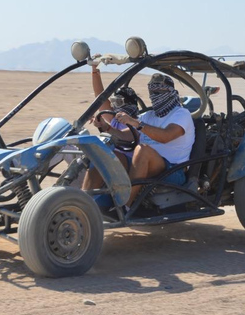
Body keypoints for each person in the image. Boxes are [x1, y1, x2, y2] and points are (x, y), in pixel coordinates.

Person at [114, 73, 195, 207]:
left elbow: (165, 136)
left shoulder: (181, 114)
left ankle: (124, 207)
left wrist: (137, 123)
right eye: (152, 91)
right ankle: (86, 204)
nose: (154, 95)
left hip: (173, 170)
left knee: (142, 150)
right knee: (112, 155)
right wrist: (106, 128)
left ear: (170, 92)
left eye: (159, 91)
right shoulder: (148, 115)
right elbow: (125, 135)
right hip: (148, 165)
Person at [82, 62, 140, 190]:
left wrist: (106, 127)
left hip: (127, 162)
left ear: (130, 104)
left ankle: (85, 199)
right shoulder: (115, 120)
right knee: (83, 156)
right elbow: (100, 97)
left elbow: (125, 135)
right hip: (113, 158)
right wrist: (95, 70)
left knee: (103, 158)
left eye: (118, 102)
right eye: (113, 102)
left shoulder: (136, 123)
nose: (115, 106)